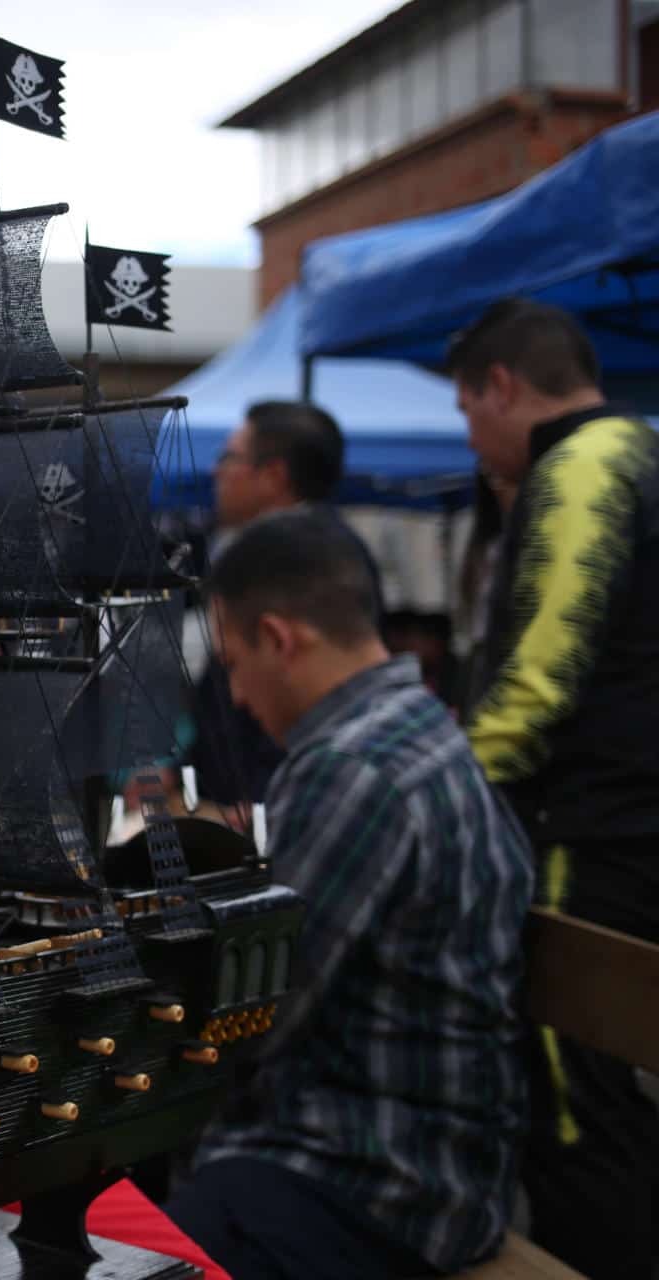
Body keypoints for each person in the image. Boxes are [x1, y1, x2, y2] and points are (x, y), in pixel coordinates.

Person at [162, 509, 532, 1278]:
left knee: (129, 1225)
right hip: (433, 1158)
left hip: (382, 1181)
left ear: (280, 637)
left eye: (233, 664)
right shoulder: (412, 723)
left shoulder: (352, 766)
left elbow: (256, 1010)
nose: (233, 697)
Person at [449, 297, 659, 1279]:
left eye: (466, 410)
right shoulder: (638, 451)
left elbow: (544, 667)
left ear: (502, 385)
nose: (472, 435)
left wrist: (440, 786)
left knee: (578, 1112)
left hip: (588, 830)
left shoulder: (583, 464)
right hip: (623, 817)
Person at [187, 401, 366, 815]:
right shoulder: (269, 547)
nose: (217, 472)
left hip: (270, 812)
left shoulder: (319, 557)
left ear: (274, 476)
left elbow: (307, 689)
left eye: (229, 458)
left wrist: (267, 806)